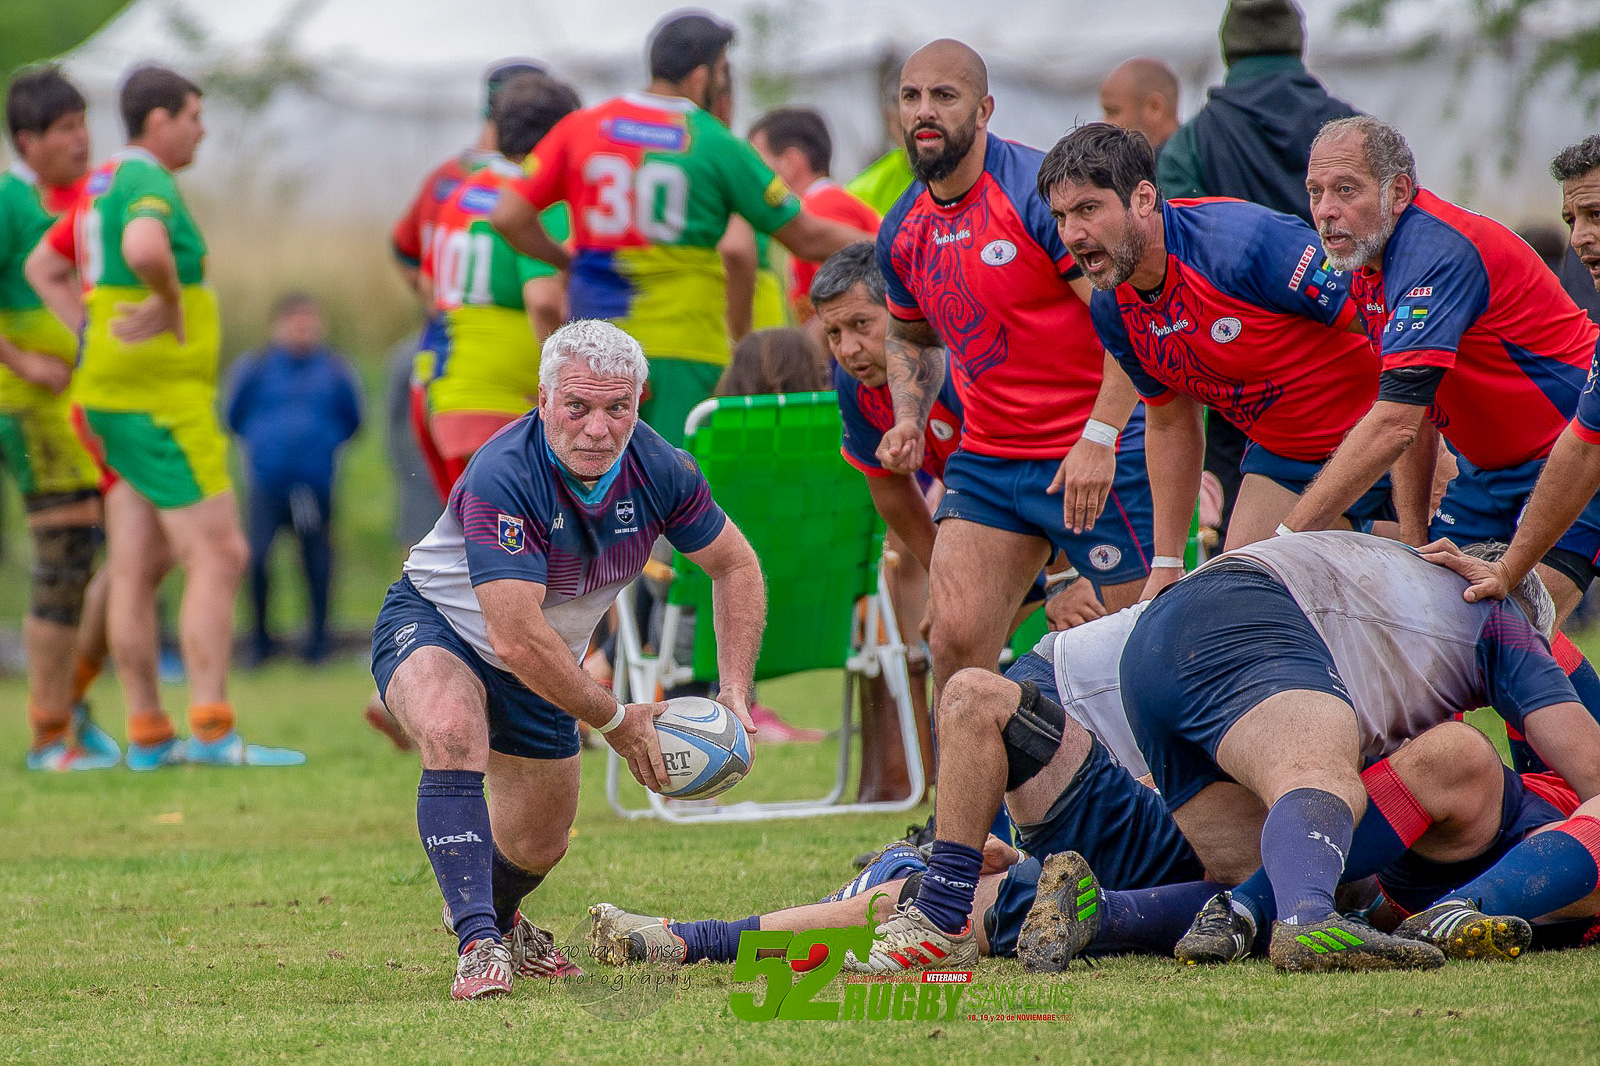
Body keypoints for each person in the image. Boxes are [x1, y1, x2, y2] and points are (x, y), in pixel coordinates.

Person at [369, 319, 766, 1000]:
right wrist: (616, 719)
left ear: (640, 402)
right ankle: (477, 943)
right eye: (577, 407)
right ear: (544, 398)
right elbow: (514, 637)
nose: (597, 429)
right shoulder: (505, 472)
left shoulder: (661, 468)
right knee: (450, 728)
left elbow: (735, 564)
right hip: (439, 625)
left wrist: (734, 690)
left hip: (545, 662)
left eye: (618, 408)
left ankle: (495, 914)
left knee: (539, 842)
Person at [26, 65, 301, 769]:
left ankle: (147, 733)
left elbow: (43, 267)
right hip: (159, 404)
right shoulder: (147, 180)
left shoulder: (101, 182)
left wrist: (90, 327)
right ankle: (210, 728)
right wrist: (170, 300)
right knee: (219, 553)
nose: (201, 129)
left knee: (134, 563)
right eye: (192, 115)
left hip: (110, 396)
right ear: (157, 120)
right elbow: (146, 251)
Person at [875, 39, 1153, 702]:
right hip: (993, 459)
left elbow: (1125, 326)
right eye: (912, 96)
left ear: (985, 108)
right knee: (954, 637)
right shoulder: (901, 230)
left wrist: (1100, 437)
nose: (925, 111)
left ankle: (1161, 803)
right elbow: (910, 336)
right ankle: (977, 810)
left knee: (1143, 640)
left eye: (945, 96)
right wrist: (910, 420)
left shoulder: (1038, 200)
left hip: (1094, 451)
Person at [1038, 122, 1413, 602]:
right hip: (1287, 458)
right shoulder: (1112, 308)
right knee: (1244, 594)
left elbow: (1389, 325)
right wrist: (1168, 562)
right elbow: (1171, 422)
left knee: (1446, 572)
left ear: (1144, 199)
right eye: (1061, 216)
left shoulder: (1240, 245)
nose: (1073, 233)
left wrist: (1428, 435)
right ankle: (1371, 539)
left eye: (1088, 209)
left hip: (1384, 428)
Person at [490, 11, 867, 448]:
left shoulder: (581, 128)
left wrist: (565, 260)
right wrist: (888, 240)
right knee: (673, 499)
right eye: (725, 72)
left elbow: (507, 215)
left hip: (592, 349)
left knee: (594, 493)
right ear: (702, 76)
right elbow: (806, 235)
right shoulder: (714, 141)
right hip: (685, 352)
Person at [1281, 117, 1600, 632]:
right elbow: (1417, 414)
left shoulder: (1434, 251)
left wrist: (1281, 542)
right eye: (1315, 192)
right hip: (1487, 473)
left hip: (1572, 449)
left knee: (1512, 636)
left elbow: (1393, 424)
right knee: (1435, 629)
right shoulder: (1366, 266)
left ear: (1399, 191)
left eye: (1345, 190)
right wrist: (1413, 539)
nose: (1325, 211)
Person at [1425, 136, 1600, 620]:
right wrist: (1507, 571)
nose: (1580, 239)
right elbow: (1583, 447)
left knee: (1513, 633)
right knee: (1497, 629)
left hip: (1536, 464)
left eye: (1596, 215)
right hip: (1500, 472)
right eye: (1573, 221)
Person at [0, 66, 119, 770]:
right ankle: (48, 733)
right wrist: (23, 362)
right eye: (66, 129)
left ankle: (72, 706)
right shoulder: (11, 201)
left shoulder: (86, 197)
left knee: (117, 555)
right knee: (64, 560)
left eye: (83, 123)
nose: (82, 138)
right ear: (27, 140)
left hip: (83, 409)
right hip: (27, 410)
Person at [419, 72, 578, 492]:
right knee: (532, 553)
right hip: (508, 410)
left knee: (476, 549)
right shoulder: (535, 199)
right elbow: (545, 300)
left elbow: (428, 285)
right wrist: (563, 392)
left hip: (449, 401)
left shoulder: (462, 195)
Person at [394, 59, 544, 501]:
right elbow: (546, 294)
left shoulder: (449, 182)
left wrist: (442, 306)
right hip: (491, 390)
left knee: (460, 528)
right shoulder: (529, 187)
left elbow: (405, 253)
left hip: (436, 372)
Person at [224, 293, 362, 665]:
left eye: (310, 321)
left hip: (313, 486)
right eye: (295, 321)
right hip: (266, 484)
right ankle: (259, 644)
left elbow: (353, 420)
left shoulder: (334, 369)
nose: (303, 329)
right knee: (257, 561)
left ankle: (317, 645)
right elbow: (231, 416)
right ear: (278, 325)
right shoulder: (254, 368)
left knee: (316, 562)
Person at [1157, 0, 1356, 224]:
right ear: (1298, 42)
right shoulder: (1356, 129)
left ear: (1228, 46)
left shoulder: (1188, 146)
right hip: (1337, 259)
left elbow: (1184, 240)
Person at [747, 107, 881, 322]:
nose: (752, 176)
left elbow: (846, 299)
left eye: (758, 162)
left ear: (790, 163)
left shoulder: (821, 207)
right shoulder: (822, 204)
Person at [1098, 57, 1181, 158]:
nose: (1104, 122)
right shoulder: (1196, 156)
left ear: (1155, 108)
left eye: (1113, 111)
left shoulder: (1179, 169)